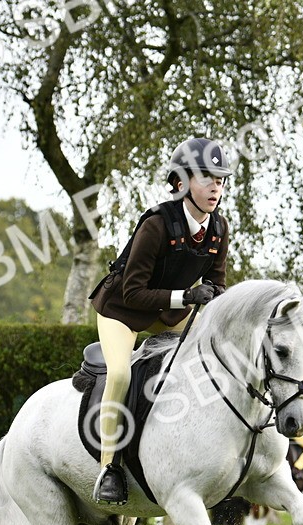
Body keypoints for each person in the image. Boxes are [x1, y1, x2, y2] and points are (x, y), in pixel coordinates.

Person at [87, 136, 232, 504]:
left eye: (221, 179)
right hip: (123, 310)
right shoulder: (156, 224)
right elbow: (134, 292)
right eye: (206, 177)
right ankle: (110, 468)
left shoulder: (219, 228)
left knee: (219, 356)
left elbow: (216, 284)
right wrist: (187, 296)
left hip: (171, 315)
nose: (216, 185)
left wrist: (217, 304)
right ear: (181, 184)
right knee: (120, 374)